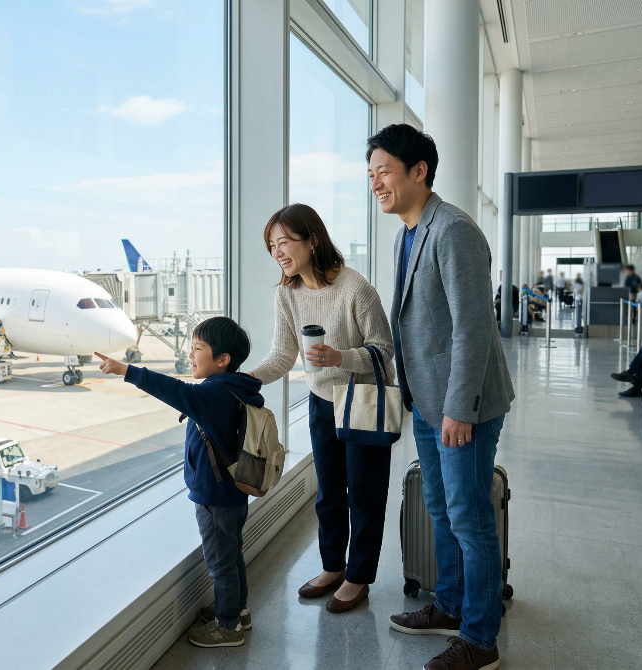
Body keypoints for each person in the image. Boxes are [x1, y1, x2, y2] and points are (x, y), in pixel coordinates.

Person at [369, 123, 514, 670]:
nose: (376, 183)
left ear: (418, 171)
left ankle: (480, 639)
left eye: (384, 171)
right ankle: (451, 604)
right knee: (440, 508)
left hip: (462, 404)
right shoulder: (410, 231)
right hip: (429, 399)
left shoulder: (453, 229)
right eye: (372, 174)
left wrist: (460, 408)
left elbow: (474, 327)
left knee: (470, 517)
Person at [247, 203, 393, 614]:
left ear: (312, 240)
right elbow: (281, 355)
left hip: (362, 400)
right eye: (271, 245)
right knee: (329, 492)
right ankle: (333, 566)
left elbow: (384, 353)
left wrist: (340, 358)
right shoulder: (286, 294)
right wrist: (242, 381)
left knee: (364, 494)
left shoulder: (354, 288)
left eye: (285, 242)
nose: (278, 251)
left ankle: (358, 576)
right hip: (322, 402)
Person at [94, 317, 263, 648]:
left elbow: (172, 389)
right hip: (233, 490)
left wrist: (126, 370)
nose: (191, 355)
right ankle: (238, 610)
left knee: (220, 561)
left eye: (198, 348)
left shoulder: (212, 394)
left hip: (215, 494)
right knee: (232, 554)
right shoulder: (236, 387)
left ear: (222, 360)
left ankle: (228, 627)